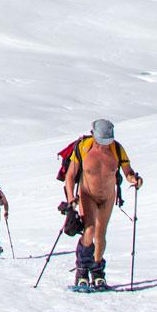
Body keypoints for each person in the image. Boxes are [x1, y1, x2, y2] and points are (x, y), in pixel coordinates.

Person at [62, 118, 142, 289]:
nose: (104, 146)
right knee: (89, 230)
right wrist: (70, 198)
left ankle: (97, 271)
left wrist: (134, 179)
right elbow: (70, 175)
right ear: (93, 135)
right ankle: (82, 270)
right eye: (101, 142)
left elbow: (127, 172)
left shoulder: (117, 149)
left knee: (100, 235)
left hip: (108, 197)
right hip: (87, 195)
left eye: (107, 142)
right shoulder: (83, 148)